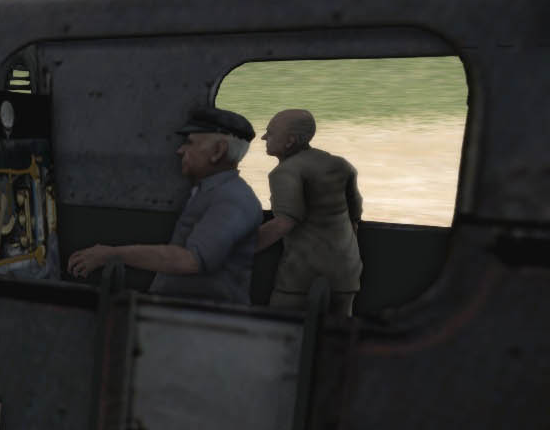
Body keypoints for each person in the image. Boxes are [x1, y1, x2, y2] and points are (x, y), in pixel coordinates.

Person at [67, 107, 262, 304]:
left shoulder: (232, 199)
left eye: (190, 143)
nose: (180, 150)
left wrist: (111, 254)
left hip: (205, 315)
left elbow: (191, 261)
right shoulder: (209, 190)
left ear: (218, 151)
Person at [256, 109, 363, 315]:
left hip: (302, 278)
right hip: (346, 274)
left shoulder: (286, 172)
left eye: (270, 132)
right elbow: (354, 219)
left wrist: (242, 249)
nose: (264, 138)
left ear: (290, 141)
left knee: (281, 328)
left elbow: (285, 222)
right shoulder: (342, 165)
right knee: (337, 331)